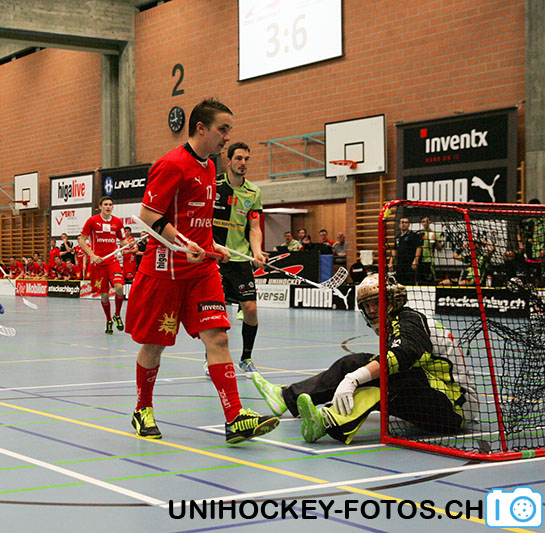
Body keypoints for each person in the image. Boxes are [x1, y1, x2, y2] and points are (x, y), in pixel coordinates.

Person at [124, 98, 279, 444]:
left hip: (202, 271)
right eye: (223, 129)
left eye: (229, 130)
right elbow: (148, 216)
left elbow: (200, 221)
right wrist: (183, 243)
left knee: (219, 337)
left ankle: (235, 418)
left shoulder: (210, 168)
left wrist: (213, 246)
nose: (227, 137)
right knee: (154, 345)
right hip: (166, 270)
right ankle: (142, 409)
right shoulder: (171, 164)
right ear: (201, 128)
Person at [251, 273, 476, 444]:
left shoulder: (410, 319)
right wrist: (354, 373)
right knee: (353, 363)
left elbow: (405, 354)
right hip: (434, 394)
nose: (371, 310)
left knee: (384, 379)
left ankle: (329, 420)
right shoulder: (397, 321)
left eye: (376, 303)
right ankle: (286, 398)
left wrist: (354, 379)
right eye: (366, 306)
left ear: (392, 299)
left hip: (454, 408)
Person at [211, 141, 266, 378]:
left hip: (240, 258)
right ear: (228, 160)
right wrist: (211, 245)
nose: (243, 163)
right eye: (239, 158)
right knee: (215, 313)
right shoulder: (214, 186)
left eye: (246, 159)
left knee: (250, 309)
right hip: (214, 258)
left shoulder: (253, 192)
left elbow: (254, 227)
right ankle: (211, 359)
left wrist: (257, 251)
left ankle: (246, 358)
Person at [78, 196, 128, 334]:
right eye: (105, 204)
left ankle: (117, 315)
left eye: (110, 204)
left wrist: (128, 244)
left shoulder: (118, 222)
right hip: (98, 263)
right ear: (100, 207)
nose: (108, 207)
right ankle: (109, 320)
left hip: (112, 261)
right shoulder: (92, 221)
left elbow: (123, 241)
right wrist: (93, 256)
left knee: (119, 287)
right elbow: (82, 240)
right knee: (104, 295)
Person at [388, 217, 421, 285]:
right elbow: (394, 250)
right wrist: (391, 262)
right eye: (402, 222)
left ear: (408, 224)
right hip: (400, 264)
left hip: (409, 264)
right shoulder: (397, 237)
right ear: (399, 225)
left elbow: (419, 247)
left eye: (406, 222)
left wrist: (416, 260)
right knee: (400, 283)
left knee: (409, 283)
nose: (403, 224)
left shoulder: (413, 235)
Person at [417, 216, 443, 284]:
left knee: (430, 278)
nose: (425, 223)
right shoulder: (418, 233)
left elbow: (440, 248)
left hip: (429, 259)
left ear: (430, 222)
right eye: (423, 221)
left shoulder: (434, 233)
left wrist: (435, 240)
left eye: (426, 221)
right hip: (419, 260)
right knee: (420, 279)